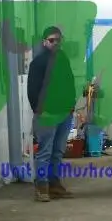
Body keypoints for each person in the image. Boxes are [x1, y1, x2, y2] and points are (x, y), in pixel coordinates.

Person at [27, 26, 77, 202]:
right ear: (44, 42)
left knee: (58, 151)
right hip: (47, 115)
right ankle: (41, 187)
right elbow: (32, 90)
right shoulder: (38, 63)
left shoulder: (63, 60)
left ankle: (54, 185)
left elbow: (70, 82)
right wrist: (40, 111)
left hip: (64, 114)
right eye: (51, 40)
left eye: (58, 40)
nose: (55, 43)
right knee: (45, 151)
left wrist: (71, 106)